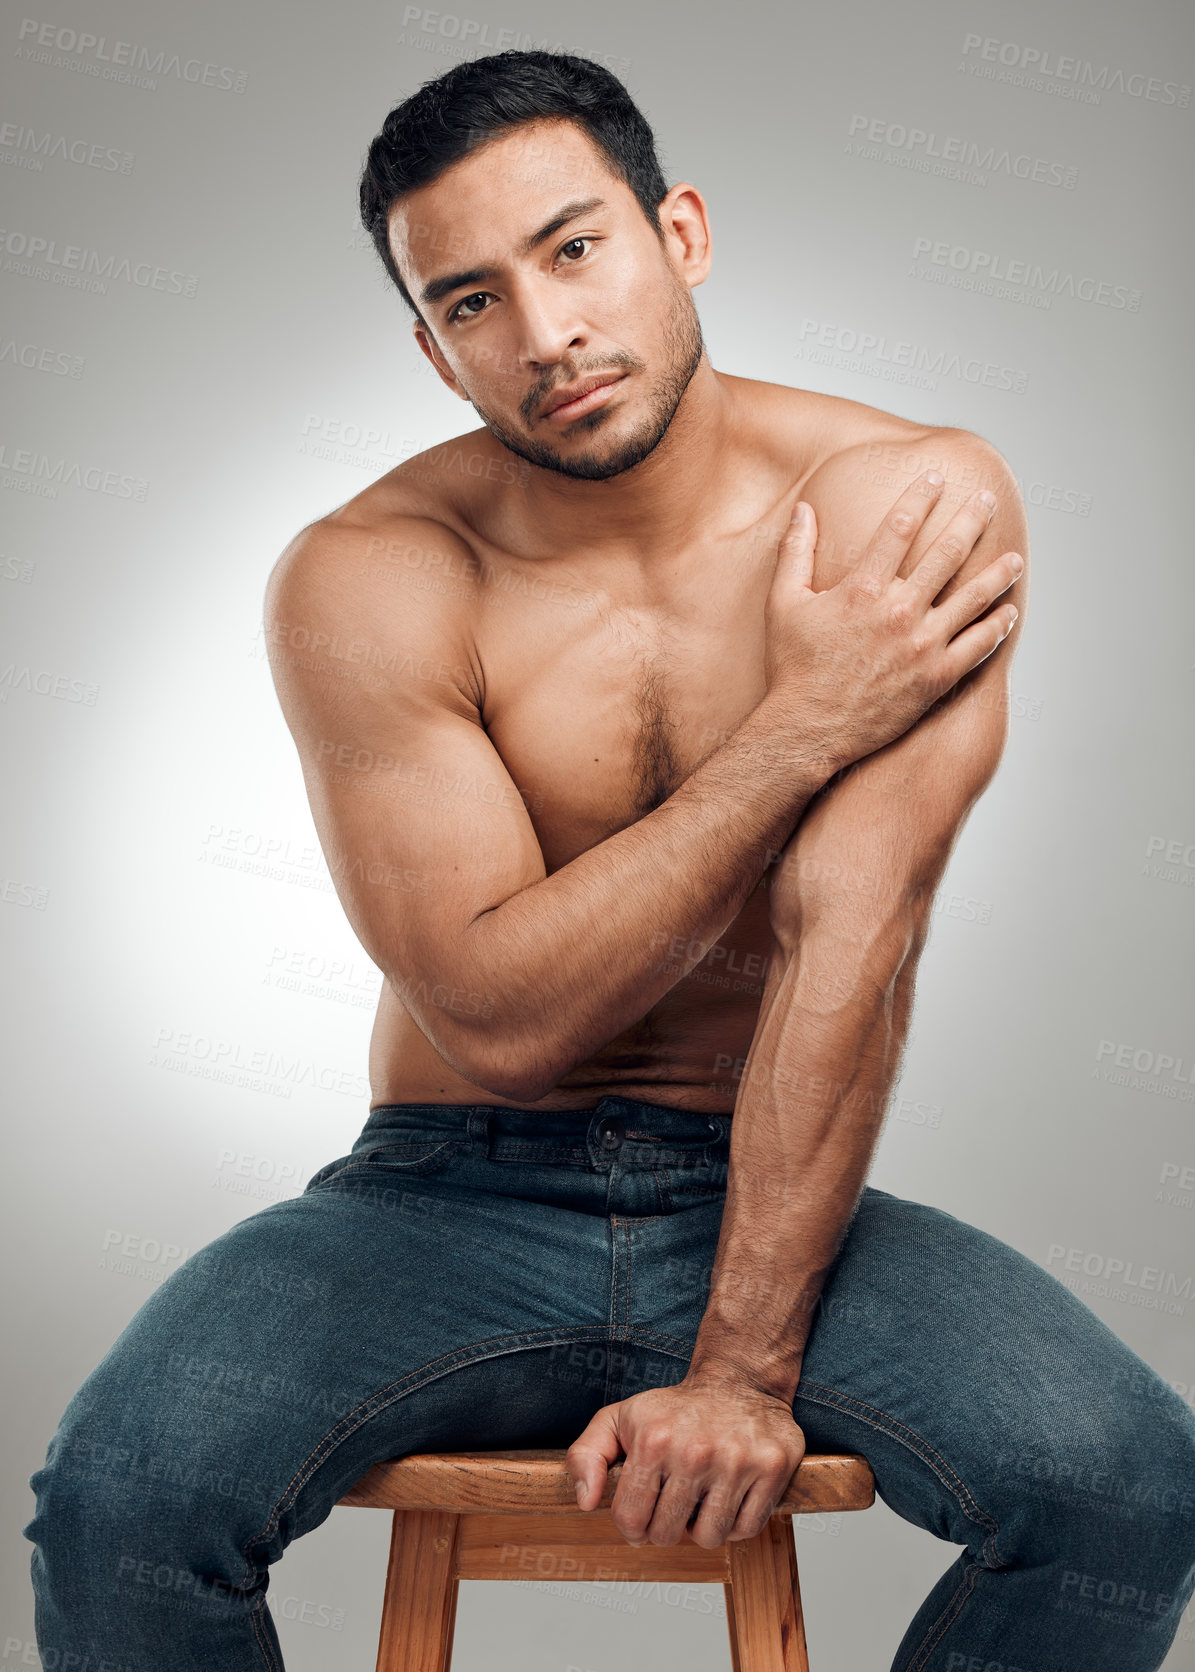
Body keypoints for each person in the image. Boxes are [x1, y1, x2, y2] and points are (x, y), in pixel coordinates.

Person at [25, 49, 1195, 1672]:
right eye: (473, 300)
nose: (547, 333)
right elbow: (505, 1017)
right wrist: (799, 727)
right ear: (433, 352)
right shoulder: (372, 575)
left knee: (1126, 1483)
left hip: (771, 1183)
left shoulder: (905, 500)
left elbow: (855, 936)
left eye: (575, 249)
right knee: (121, 1501)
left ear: (682, 235)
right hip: (445, 1189)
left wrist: (741, 1366)